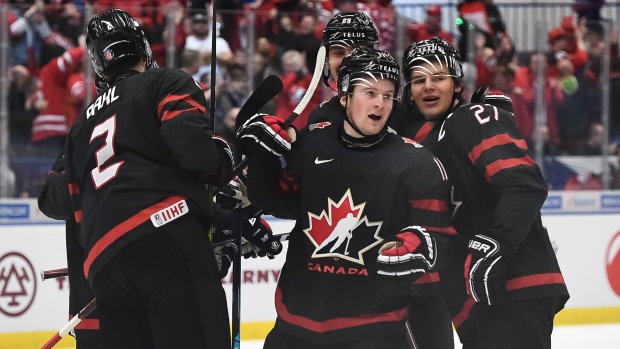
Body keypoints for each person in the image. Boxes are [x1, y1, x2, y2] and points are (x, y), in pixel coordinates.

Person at [239, 46, 455, 349]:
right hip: (294, 324)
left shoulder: (415, 162)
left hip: (375, 331)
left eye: (388, 95)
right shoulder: (312, 143)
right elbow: (275, 200)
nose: (380, 103)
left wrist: (418, 244)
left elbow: (439, 235)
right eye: (369, 92)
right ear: (345, 98)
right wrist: (260, 156)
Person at [63, 9, 234, 348]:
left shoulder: (79, 128)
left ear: (99, 64)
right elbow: (193, 152)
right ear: (143, 48)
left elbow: (76, 211)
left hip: (104, 265)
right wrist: (223, 160)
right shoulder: (165, 81)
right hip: (165, 235)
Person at [402, 37, 570, 349]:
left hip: (511, 286)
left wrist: (496, 241)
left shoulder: (470, 118)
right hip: (477, 298)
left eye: (439, 78)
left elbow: (524, 184)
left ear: (456, 85)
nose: (428, 86)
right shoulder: (427, 141)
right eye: (418, 80)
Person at [307, 12, 456, 349]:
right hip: (357, 280)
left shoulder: (409, 113)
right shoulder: (320, 124)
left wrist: (477, 111)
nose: (350, 60)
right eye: (339, 52)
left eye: (359, 49)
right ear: (325, 61)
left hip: (420, 277)